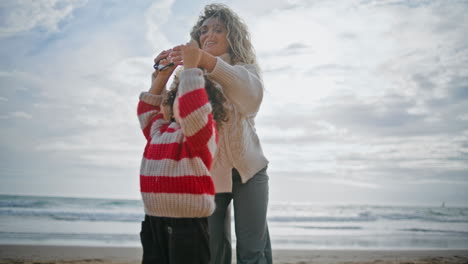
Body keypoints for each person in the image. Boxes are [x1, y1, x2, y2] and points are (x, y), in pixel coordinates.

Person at [168, 3, 272, 264]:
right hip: (209, 175)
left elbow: (250, 99)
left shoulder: (245, 71)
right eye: (203, 31)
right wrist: (167, 73)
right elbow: (176, 117)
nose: (209, 35)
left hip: (251, 170)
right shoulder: (189, 75)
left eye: (218, 29)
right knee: (213, 253)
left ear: (232, 37)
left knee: (252, 252)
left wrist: (207, 61)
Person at [137, 40, 228, 264]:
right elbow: (147, 110)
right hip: (154, 220)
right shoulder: (160, 130)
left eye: (187, 93)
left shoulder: (202, 133)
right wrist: (162, 77)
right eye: (177, 96)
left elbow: (193, 109)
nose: (181, 100)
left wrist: (191, 67)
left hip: (188, 224)